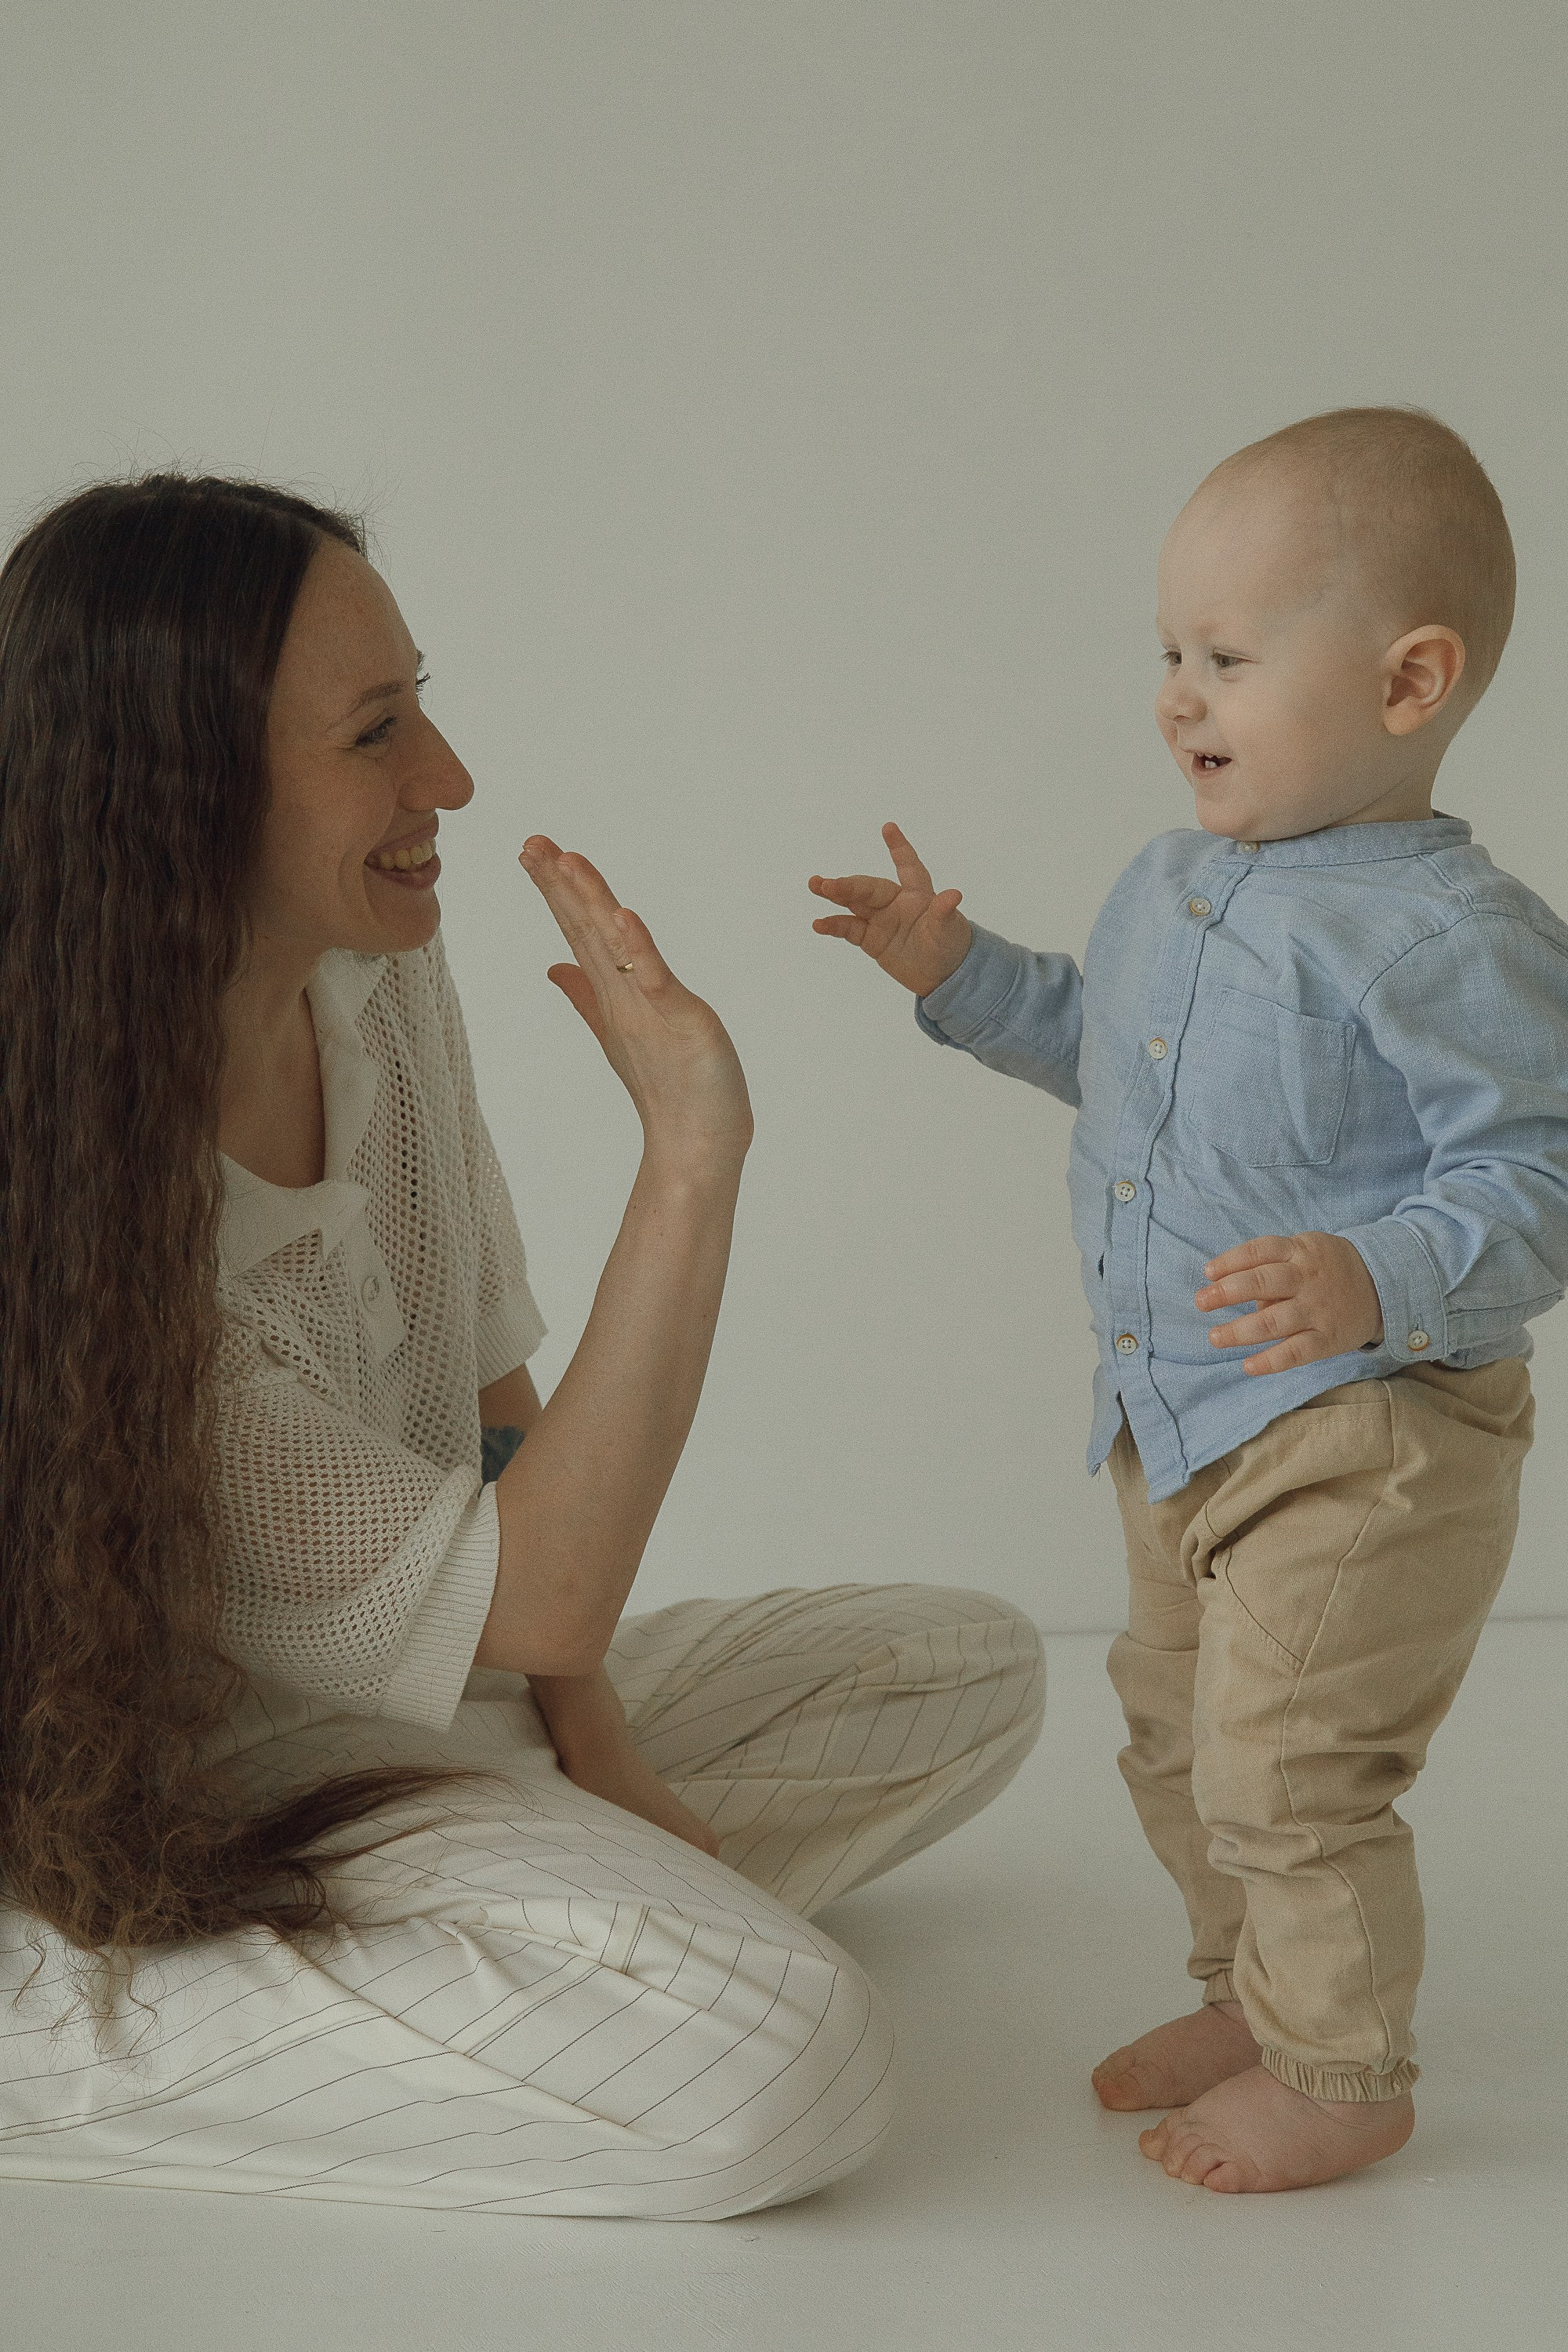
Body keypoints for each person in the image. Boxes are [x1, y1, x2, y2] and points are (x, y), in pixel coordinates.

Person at [0, 474, 1046, 2218]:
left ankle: (516, 1908)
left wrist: (598, 1738)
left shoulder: (376, 975)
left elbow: (496, 1421)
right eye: (377, 731)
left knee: (970, 1668)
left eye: (423, 700)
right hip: (174, 1783)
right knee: (787, 2070)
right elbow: (542, 1582)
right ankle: (57, 2014)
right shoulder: (84, 1199)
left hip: (419, 1681)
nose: (451, 781)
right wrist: (690, 1153)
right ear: (183, 790)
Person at [808, 405, 1568, 2194]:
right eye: (1167, 651)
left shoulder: (1451, 935)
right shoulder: (1168, 885)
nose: (1175, 692)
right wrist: (959, 976)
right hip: (1177, 1412)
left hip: (1371, 1432)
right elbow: (1109, 1049)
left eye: (1225, 656)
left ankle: (1338, 2067)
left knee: (1288, 1767)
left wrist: (1376, 1272)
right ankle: (1249, 1988)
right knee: (1176, 1735)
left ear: (1409, 682)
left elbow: (1544, 1170)